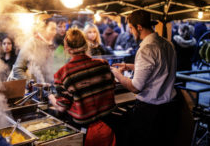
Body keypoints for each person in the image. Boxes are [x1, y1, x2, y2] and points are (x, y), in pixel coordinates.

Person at [111, 10, 180, 146]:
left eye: (131, 28)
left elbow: (135, 87)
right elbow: (159, 69)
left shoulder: (146, 49)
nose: (130, 31)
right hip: (168, 109)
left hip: (150, 112)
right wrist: (130, 66)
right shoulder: (167, 44)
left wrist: (116, 74)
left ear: (139, 27)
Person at [48, 28, 117, 146]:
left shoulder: (63, 74)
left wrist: (50, 96)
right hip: (110, 124)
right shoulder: (103, 64)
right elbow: (113, 86)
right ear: (86, 45)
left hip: (85, 131)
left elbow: (61, 107)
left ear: (67, 49)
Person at [11, 16, 57, 85]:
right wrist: (33, 85)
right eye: (52, 29)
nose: (55, 32)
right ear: (43, 29)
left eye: (55, 29)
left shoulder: (52, 44)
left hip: (51, 91)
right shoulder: (31, 44)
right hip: (36, 93)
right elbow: (17, 70)